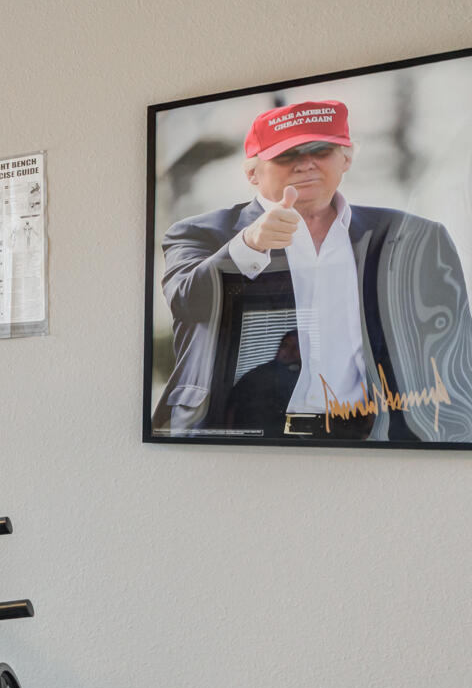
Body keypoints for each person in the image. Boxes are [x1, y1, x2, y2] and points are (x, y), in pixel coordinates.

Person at [154, 99, 472, 441]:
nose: (305, 164)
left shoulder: (416, 237)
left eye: (321, 150)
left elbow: (455, 353)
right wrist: (249, 245)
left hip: (378, 439)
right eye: (286, 154)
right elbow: (189, 305)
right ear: (251, 172)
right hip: (239, 436)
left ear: (346, 158)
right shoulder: (199, 233)